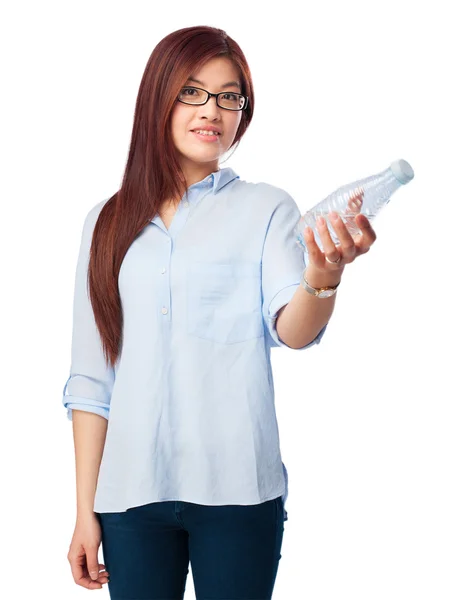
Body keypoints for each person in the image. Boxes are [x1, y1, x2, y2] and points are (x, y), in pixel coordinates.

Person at [63, 25, 377, 599]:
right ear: (158, 96)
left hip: (238, 491)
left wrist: (325, 275)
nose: (213, 110)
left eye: (230, 96)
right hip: (131, 497)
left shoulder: (266, 208)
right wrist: (86, 509)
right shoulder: (105, 224)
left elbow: (294, 330)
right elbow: (91, 379)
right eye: (192, 91)